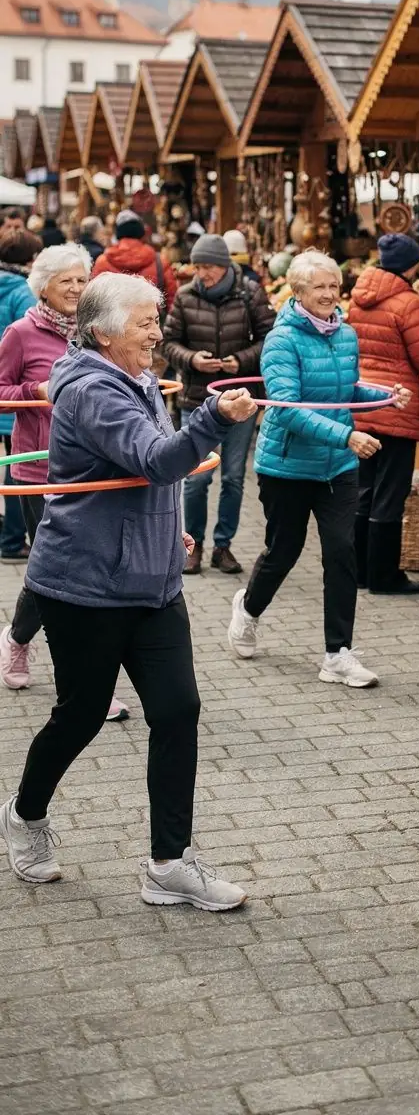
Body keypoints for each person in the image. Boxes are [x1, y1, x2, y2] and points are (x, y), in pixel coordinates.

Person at [0, 272, 258, 906]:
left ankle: (169, 863)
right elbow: (157, 460)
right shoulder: (92, 389)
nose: (157, 331)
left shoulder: (136, 376)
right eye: (145, 322)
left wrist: (167, 534)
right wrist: (212, 415)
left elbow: (150, 481)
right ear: (104, 331)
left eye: (157, 318)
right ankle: (24, 815)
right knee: (80, 715)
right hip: (84, 584)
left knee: (177, 710)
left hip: (153, 581)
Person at [226, 249, 410, 684]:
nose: (329, 294)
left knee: (342, 553)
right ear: (298, 291)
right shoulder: (282, 340)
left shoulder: (345, 334)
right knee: (283, 551)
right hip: (288, 465)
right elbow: (287, 409)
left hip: (337, 468)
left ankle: (337, 655)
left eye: (333, 286)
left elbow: (343, 390)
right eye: (319, 287)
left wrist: (383, 395)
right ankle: (248, 609)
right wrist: (346, 435)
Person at [0, 242, 129, 717]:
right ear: (43, 286)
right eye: (65, 281)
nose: (75, 288)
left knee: (91, 567)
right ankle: (33, 649)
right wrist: (36, 390)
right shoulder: (20, 333)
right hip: (41, 468)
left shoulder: (100, 330)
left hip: (97, 462)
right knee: (61, 570)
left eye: (81, 279)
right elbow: (0, 391)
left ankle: (84, 674)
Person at [348, 232, 419, 594]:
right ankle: (384, 576)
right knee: (390, 494)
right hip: (396, 405)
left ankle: (361, 572)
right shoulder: (409, 302)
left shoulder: (358, 296)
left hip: (363, 403)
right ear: (411, 265)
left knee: (364, 489)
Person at [161, 233, 275, 575]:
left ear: (224, 265)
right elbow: (168, 342)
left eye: (207, 266)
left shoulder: (250, 293)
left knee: (234, 477)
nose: (202, 273)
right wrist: (193, 359)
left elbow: (270, 337)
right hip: (197, 399)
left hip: (239, 399)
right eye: (198, 266)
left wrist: (240, 361)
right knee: (195, 478)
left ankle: (223, 546)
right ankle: (192, 545)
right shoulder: (184, 296)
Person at [0, 229, 42, 562]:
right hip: (18, 395)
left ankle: (10, 537)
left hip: (8, 389)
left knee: (12, 465)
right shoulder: (23, 293)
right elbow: (29, 342)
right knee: (19, 467)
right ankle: (13, 540)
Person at [92, 209, 178, 311]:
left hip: (112, 324)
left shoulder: (103, 261)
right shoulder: (160, 261)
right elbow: (172, 300)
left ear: (118, 233)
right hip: (150, 322)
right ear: (141, 233)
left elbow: (94, 300)